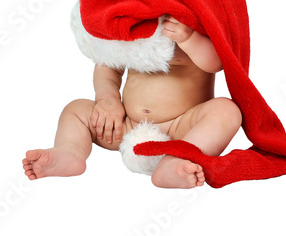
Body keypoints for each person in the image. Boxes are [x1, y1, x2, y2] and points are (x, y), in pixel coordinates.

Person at [22, 15, 242, 189]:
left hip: (181, 129)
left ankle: (175, 161)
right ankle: (70, 151)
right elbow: (107, 65)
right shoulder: (132, 22)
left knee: (227, 111)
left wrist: (189, 38)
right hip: (124, 126)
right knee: (76, 109)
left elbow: (217, 62)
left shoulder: (190, 23)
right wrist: (107, 99)